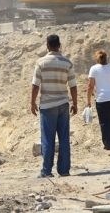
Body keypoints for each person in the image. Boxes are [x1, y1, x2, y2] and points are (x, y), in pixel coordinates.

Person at [31, 34, 77, 178]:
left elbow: (35, 85)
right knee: (64, 138)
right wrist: (75, 103)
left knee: (48, 139)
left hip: (47, 105)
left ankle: (46, 171)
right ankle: (64, 170)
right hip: (63, 104)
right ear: (59, 45)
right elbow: (73, 86)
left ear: (47, 45)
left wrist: (32, 102)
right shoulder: (67, 63)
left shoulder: (41, 62)